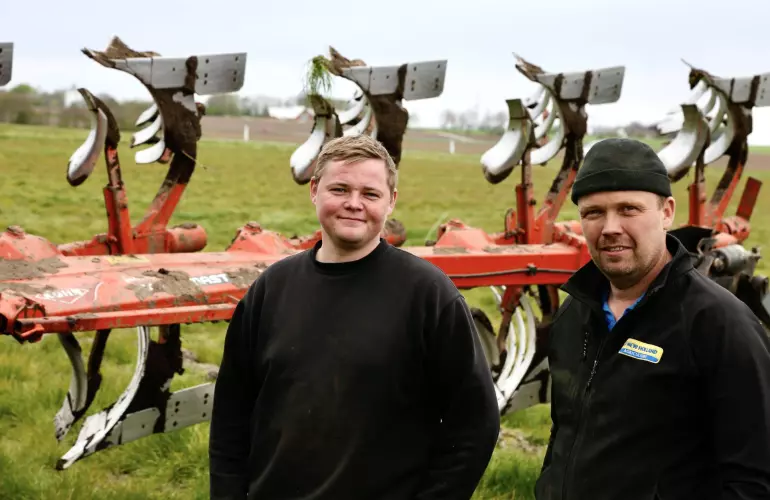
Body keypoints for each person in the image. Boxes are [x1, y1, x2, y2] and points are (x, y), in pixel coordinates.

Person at [209, 134, 501, 499]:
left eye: (370, 194)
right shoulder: (271, 289)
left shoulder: (428, 295)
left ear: (391, 201)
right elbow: (231, 415)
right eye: (340, 189)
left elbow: (475, 423)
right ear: (314, 190)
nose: (353, 204)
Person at [534, 138, 770, 499]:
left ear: (666, 212)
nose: (609, 227)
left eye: (629, 209)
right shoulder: (574, 314)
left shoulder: (718, 325)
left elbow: (753, 480)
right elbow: (565, 432)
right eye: (593, 212)